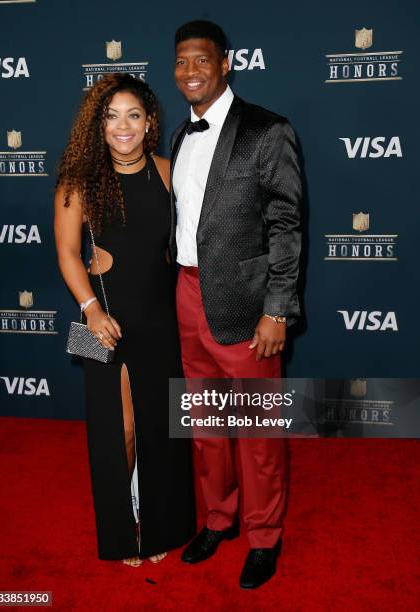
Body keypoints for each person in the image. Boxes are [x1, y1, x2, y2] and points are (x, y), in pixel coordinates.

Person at [171, 20, 302, 589]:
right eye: (180, 62)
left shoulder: (267, 131)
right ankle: (218, 519)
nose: (190, 72)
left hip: (248, 307)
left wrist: (277, 309)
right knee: (205, 426)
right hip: (187, 295)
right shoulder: (179, 135)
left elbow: (287, 223)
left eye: (201, 60)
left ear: (226, 63)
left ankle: (264, 535)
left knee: (255, 432)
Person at [54, 73, 195, 567]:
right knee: (119, 431)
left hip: (161, 315)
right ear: (98, 125)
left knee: (161, 425)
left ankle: (162, 526)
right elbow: (69, 255)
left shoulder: (166, 171)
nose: (123, 126)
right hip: (101, 318)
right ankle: (119, 535)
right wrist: (90, 310)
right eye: (111, 116)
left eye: (133, 114)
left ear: (149, 121)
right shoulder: (78, 180)